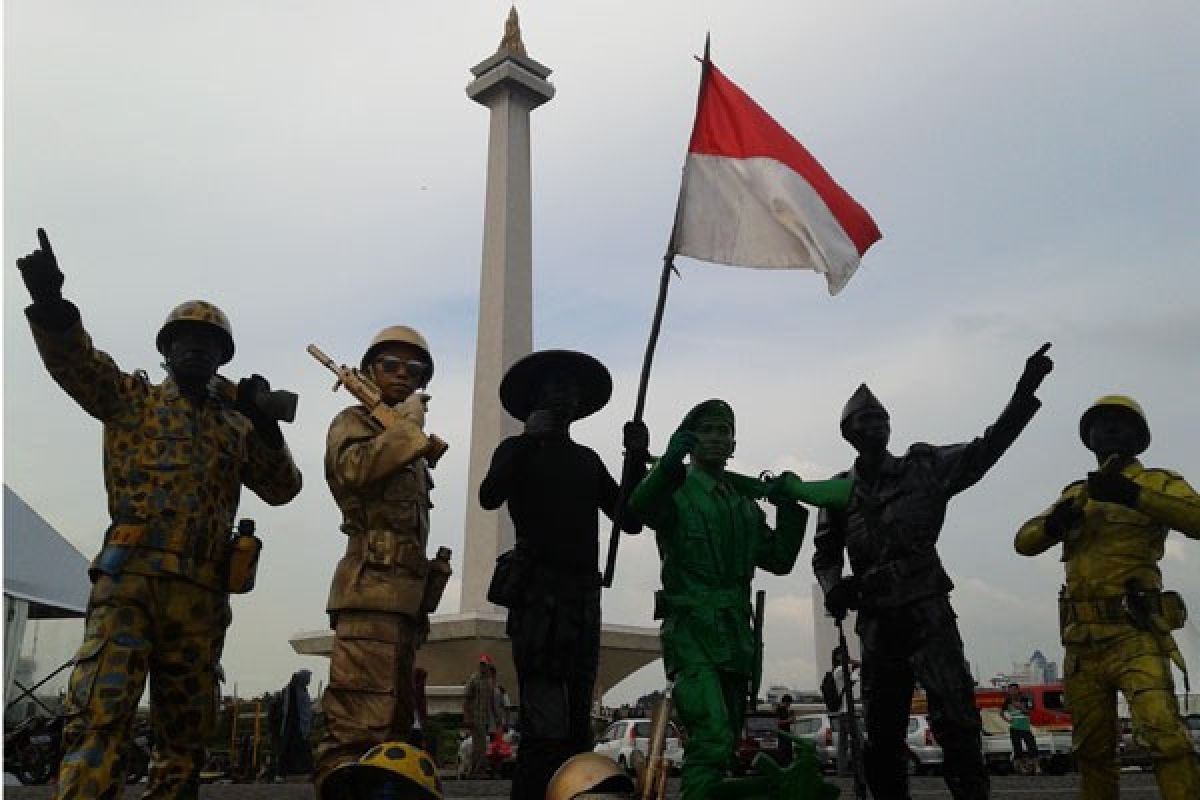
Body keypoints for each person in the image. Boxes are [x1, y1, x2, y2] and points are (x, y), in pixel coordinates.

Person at [14, 228, 303, 800]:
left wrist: (266, 423)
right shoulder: (132, 401)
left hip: (200, 596)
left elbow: (283, 489)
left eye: (210, 344)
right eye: (185, 341)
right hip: (132, 586)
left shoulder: (237, 426)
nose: (197, 349)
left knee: (185, 738)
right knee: (100, 714)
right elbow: (78, 365)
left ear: (224, 358)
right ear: (165, 352)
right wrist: (52, 306)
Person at [812, 343, 1054, 800]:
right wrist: (833, 588)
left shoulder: (923, 467)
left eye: (881, 418)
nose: (876, 425)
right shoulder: (837, 491)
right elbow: (824, 555)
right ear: (848, 432)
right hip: (878, 619)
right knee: (882, 731)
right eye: (865, 420)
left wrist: (1023, 392)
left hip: (928, 609)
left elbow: (987, 447)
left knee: (957, 718)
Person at [478, 349, 646, 800]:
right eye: (554, 385)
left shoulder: (587, 461)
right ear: (534, 397)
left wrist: (638, 461)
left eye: (571, 388)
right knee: (545, 728)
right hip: (539, 602)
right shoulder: (514, 450)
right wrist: (528, 440)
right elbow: (489, 497)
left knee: (576, 732)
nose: (564, 394)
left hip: (582, 602)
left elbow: (629, 518)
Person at [1015, 394, 1200, 800]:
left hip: (1134, 633)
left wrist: (1134, 496)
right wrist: (1055, 523)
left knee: (1165, 737)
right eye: (1101, 424)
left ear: (1140, 436)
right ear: (1089, 438)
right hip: (1082, 642)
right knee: (1093, 752)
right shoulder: (1075, 494)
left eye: (1121, 423)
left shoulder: (1157, 482)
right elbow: (1024, 542)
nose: (1110, 430)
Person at [629, 399, 807, 800]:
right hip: (691, 630)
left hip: (735, 636)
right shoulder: (676, 491)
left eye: (723, 430)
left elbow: (778, 560)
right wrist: (666, 466)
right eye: (706, 430)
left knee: (725, 743)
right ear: (690, 441)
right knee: (710, 735)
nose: (715, 438)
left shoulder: (744, 503)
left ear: (733, 443)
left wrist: (788, 506)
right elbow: (638, 509)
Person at [315, 325, 452, 792]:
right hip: (369, 597)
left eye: (414, 370)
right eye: (391, 365)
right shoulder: (355, 423)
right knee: (356, 732)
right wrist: (409, 428)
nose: (402, 375)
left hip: (404, 605)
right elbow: (351, 471)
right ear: (370, 369)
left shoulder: (407, 447)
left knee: (390, 735)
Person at [462, 655, 501, 779]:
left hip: (484, 718)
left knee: (480, 746)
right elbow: (467, 699)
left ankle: (474, 771)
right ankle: (477, 771)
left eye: (484, 665)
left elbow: (492, 702)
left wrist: (497, 717)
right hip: (475, 717)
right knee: (479, 746)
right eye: (481, 664)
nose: (482, 667)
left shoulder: (489, 682)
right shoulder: (474, 679)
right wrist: (467, 716)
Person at [279, 670, 315, 779]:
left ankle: (300, 771)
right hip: (294, 725)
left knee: (301, 749)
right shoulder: (292, 690)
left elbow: (305, 708)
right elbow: (290, 709)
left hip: (299, 724)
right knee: (292, 748)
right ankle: (289, 771)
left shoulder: (302, 690)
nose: (309, 681)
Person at [1000, 683, 1037, 774]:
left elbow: (1029, 712)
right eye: (1010, 690)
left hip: (1025, 728)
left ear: (1017, 690)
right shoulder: (1007, 700)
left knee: (1032, 747)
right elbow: (1001, 712)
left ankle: (1037, 767)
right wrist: (1008, 720)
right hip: (1014, 728)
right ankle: (1019, 769)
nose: (1011, 692)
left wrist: (1020, 707)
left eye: (1013, 689)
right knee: (1017, 749)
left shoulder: (1025, 699)